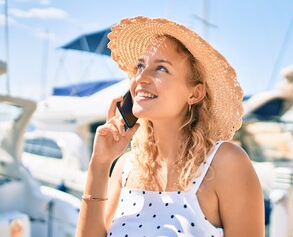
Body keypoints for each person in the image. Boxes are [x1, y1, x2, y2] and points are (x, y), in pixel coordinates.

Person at [76, 16, 264, 237]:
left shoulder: (226, 163)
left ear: (195, 93)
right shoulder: (125, 168)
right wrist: (99, 164)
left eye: (161, 69)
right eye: (140, 66)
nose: (141, 78)